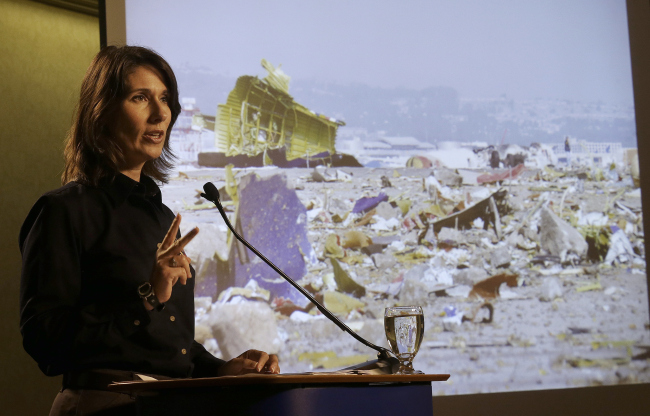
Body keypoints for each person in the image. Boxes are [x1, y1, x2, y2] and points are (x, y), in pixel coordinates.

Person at [19, 46, 279, 416]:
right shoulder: (63, 211)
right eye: (139, 98)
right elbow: (44, 341)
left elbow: (163, 344)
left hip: (173, 404)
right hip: (104, 405)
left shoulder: (161, 218)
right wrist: (146, 297)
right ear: (102, 112)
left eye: (165, 99)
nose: (160, 113)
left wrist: (220, 369)